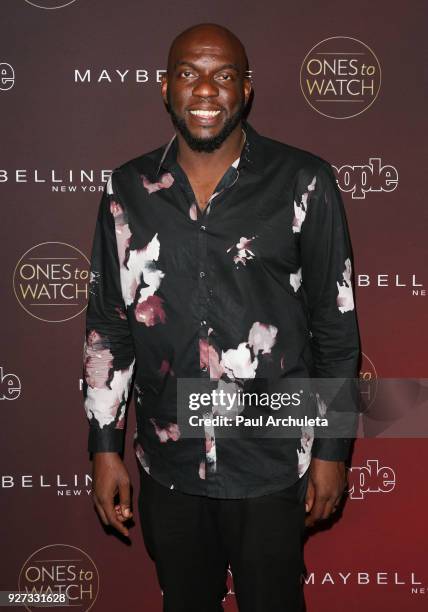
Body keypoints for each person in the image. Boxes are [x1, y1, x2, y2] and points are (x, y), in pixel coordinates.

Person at [82, 22, 361, 612]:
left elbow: (336, 331)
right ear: (165, 88)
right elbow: (108, 328)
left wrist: (333, 453)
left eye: (223, 75)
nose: (205, 90)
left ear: (247, 89)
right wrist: (105, 447)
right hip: (170, 463)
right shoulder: (127, 190)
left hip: (272, 459)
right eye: (188, 73)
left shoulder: (303, 182)